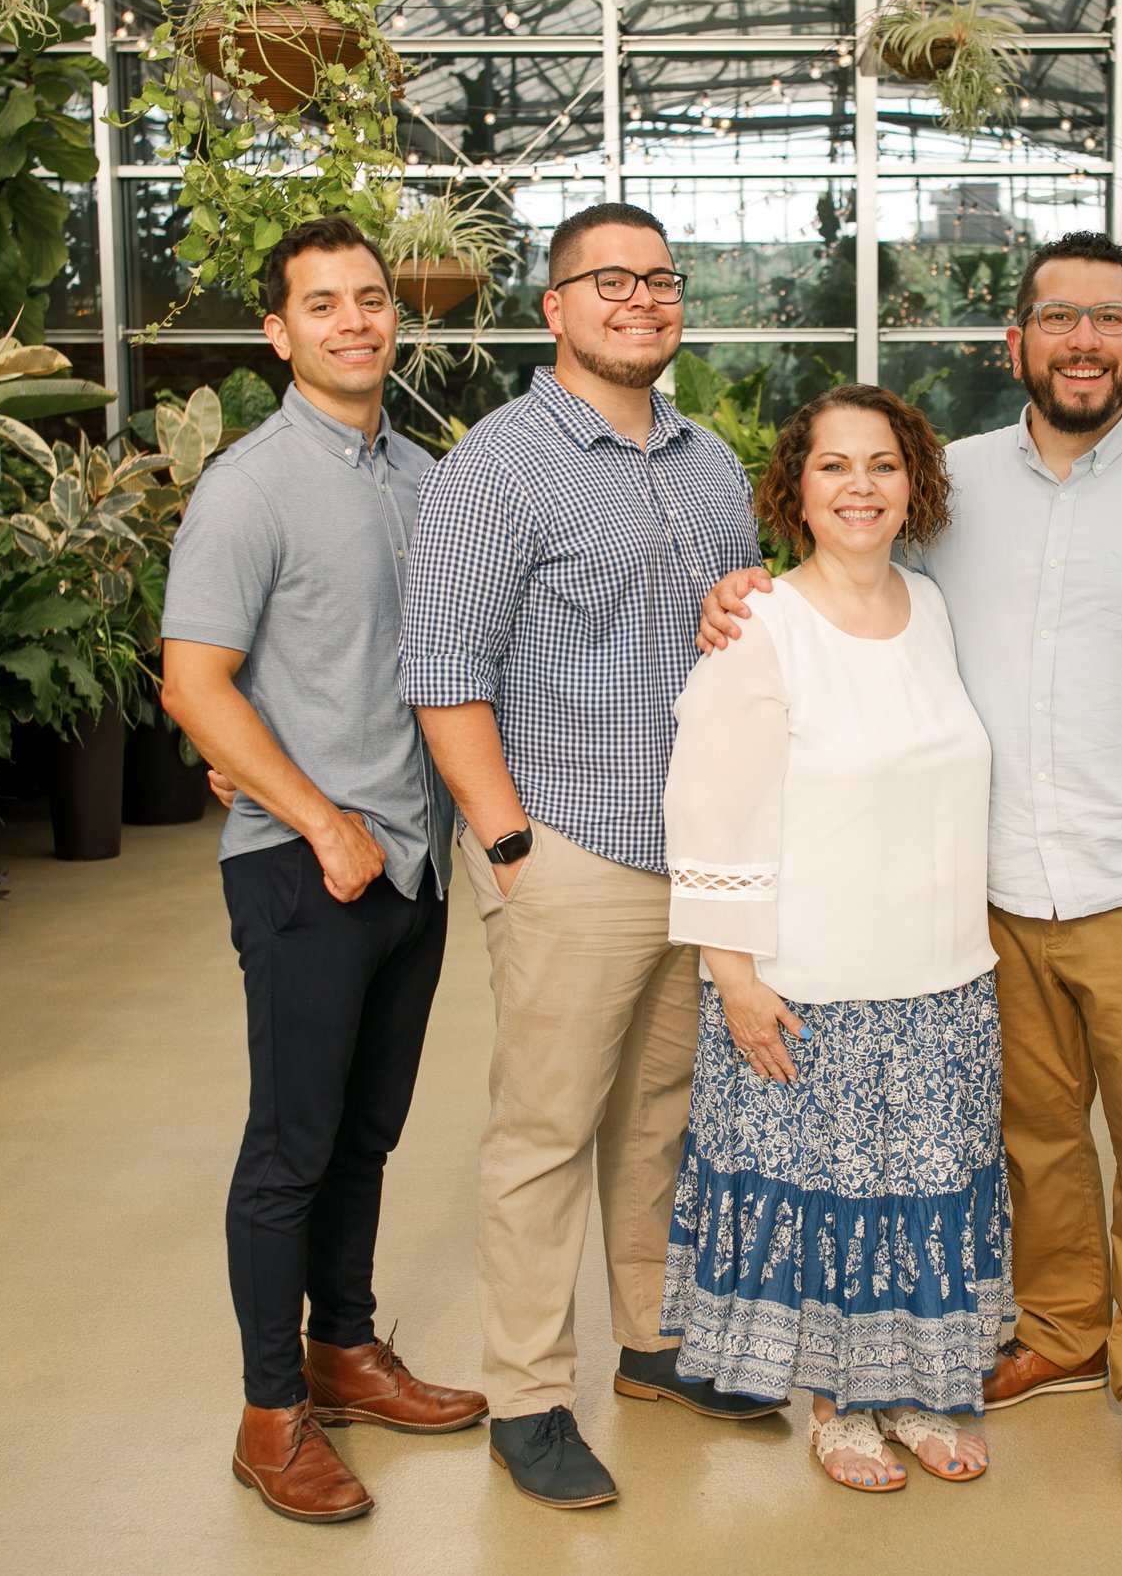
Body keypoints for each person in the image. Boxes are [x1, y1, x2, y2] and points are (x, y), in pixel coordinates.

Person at [700, 231, 1122, 1493]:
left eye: (1109, 319)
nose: (1084, 340)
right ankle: (1063, 1331)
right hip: (993, 895)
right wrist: (738, 594)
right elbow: (844, 583)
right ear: (1014, 340)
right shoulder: (940, 482)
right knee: (1033, 1141)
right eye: (1058, 317)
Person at [400, 202, 773, 1511]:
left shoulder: (708, 461)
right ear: (553, 307)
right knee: (545, 1133)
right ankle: (529, 1394)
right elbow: (445, 674)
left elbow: (739, 639)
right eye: (608, 280)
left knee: (662, 1118)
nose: (641, 300)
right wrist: (506, 839)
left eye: (660, 280)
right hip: (567, 847)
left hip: (694, 854)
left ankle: (659, 1342)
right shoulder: (495, 467)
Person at [160, 217, 487, 1526]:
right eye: (325, 304)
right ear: (279, 333)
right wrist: (316, 815)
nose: (356, 321)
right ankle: (268, 1411)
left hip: (412, 863)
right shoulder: (248, 484)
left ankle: (343, 1350)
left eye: (371, 300)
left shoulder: (418, 473)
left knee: (369, 1128)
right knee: (290, 1145)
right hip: (308, 869)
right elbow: (194, 680)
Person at [660, 385, 1007, 1494]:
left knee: (913, 1195)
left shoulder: (933, 607)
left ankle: (905, 1393)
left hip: (942, 977)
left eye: (883, 465)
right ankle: (835, 1406)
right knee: (830, 1208)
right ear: (794, 492)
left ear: (915, 484)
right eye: (833, 467)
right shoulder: (762, 623)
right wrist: (734, 979)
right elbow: (705, 806)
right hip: (813, 984)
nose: (860, 486)